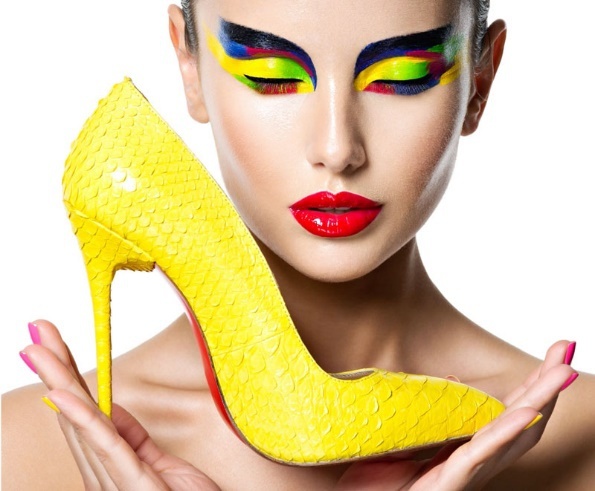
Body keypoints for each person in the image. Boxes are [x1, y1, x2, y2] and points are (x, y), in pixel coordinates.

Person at [2, 0, 595, 489]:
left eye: (402, 76)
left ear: (479, 81)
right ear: (190, 66)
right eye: (272, 75)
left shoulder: (581, 442)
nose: (337, 148)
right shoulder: (21, 453)